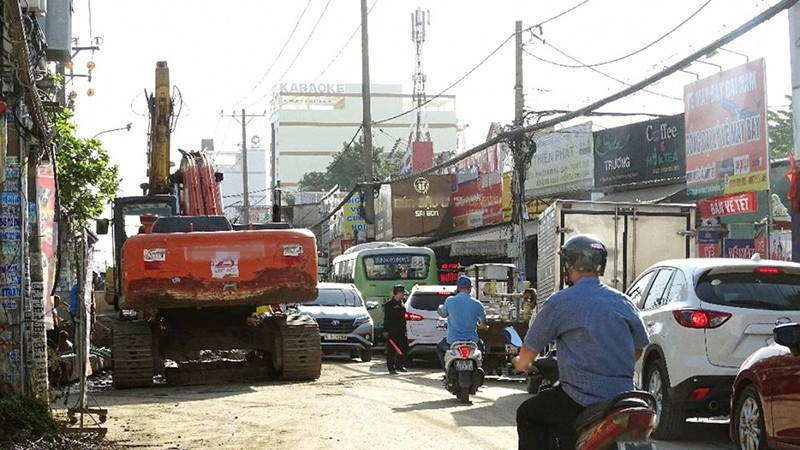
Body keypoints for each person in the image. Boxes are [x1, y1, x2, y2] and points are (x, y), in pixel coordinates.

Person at [513, 234, 650, 450]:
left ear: (570, 264)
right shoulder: (623, 301)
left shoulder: (561, 302)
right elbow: (639, 349)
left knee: (528, 413)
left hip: (580, 398)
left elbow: (529, 352)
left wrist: (523, 364)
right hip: (625, 395)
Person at [436, 276, 487, 371]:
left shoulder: (450, 300)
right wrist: (482, 326)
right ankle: (479, 369)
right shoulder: (477, 304)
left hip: (452, 341)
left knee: (439, 347)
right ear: (470, 288)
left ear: (458, 288)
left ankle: (446, 371)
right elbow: (483, 323)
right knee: (482, 348)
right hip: (472, 341)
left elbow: (443, 314)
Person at [383, 285, 409, 374]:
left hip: (401, 330)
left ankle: (399, 366)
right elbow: (386, 319)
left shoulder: (403, 303)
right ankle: (391, 368)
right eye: (402, 293)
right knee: (391, 350)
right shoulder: (389, 305)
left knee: (404, 348)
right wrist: (385, 330)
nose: (403, 295)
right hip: (392, 330)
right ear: (397, 293)